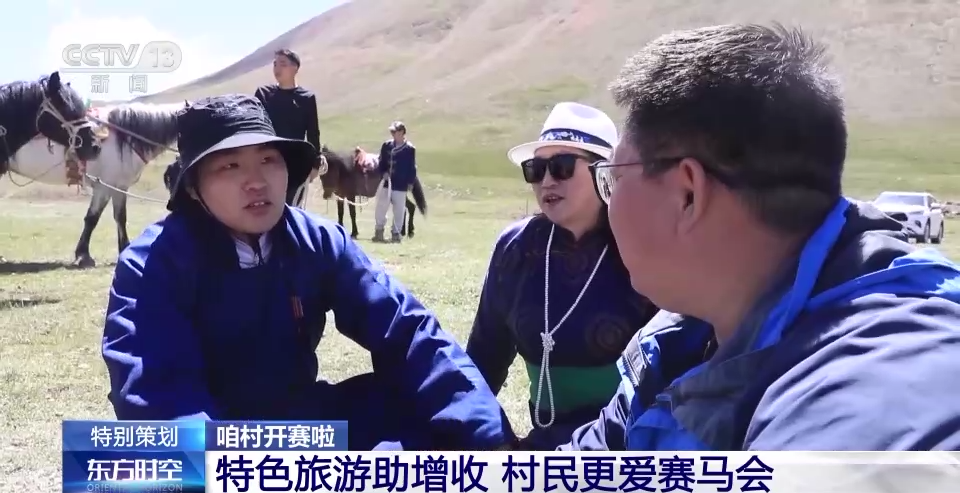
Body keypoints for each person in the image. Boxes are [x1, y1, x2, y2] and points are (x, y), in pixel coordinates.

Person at [561, 23, 960, 451]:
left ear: (687, 194)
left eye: (614, 179)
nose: (609, 203)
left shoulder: (878, 385)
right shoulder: (683, 338)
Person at [100, 94, 513, 451]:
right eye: (230, 166)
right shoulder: (152, 263)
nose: (256, 181)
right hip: (215, 436)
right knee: (135, 464)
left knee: (419, 404)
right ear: (193, 187)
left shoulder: (317, 240)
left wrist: (489, 435)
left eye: (268, 159)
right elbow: (158, 395)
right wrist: (232, 470)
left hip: (301, 424)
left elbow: (406, 331)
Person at [466, 102, 659, 450]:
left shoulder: (647, 246)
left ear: (604, 173)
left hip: (624, 449)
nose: (547, 181)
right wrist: (480, 436)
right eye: (536, 169)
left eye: (562, 166)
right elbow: (483, 359)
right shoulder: (515, 249)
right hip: (539, 448)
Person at [254, 49, 323, 206]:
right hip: (267, 162)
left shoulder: (306, 98)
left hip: (295, 164)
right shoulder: (263, 94)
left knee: (291, 207)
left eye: (283, 64)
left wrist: (315, 163)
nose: (277, 68)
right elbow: (254, 127)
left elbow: (313, 133)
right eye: (275, 64)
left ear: (295, 68)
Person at [373, 121, 416, 243]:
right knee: (381, 208)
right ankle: (379, 232)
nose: (392, 134)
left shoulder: (409, 149)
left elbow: (412, 167)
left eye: (394, 131)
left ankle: (396, 233)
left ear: (401, 132)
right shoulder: (386, 145)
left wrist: (410, 182)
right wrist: (383, 173)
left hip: (400, 184)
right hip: (386, 183)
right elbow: (381, 162)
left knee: (399, 210)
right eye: (391, 131)